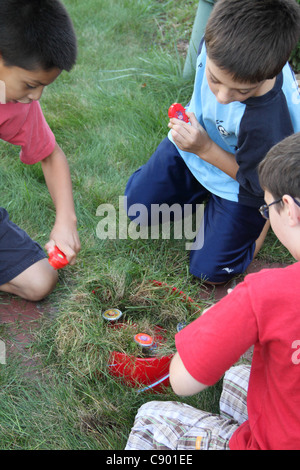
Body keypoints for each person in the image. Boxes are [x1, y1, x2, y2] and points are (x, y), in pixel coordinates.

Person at [125, 131, 300, 450]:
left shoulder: (266, 293)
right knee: (237, 378)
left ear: (289, 208)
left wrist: (211, 324)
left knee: (151, 418)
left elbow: (182, 381)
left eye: (266, 209)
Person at [124, 0, 300, 284]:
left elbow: (259, 182)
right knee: (136, 209)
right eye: (215, 80)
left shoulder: (267, 120)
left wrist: (205, 148)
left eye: (240, 91)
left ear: (269, 74)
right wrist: (198, 145)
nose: (222, 97)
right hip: (197, 145)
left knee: (209, 272)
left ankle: (264, 218)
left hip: (245, 182)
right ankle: (203, 197)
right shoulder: (220, 41)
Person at [0, 0, 81, 302]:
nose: (36, 96)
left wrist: (65, 221)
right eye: (31, 84)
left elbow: (51, 155)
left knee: (40, 280)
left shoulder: (16, 104)